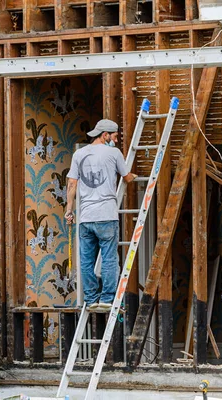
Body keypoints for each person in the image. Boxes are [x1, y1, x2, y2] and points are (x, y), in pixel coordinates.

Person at [65, 119, 136, 312]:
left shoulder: (79, 154)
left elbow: (72, 184)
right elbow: (127, 177)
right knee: (109, 258)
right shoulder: (113, 153)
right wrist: (134, 177)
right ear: (105, 135)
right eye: (114, 136)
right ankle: (107, 298)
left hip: (86, 218)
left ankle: (90, 297)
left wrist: (69, 210)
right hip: (106, 215)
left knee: (86, 260)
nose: (115, 140)